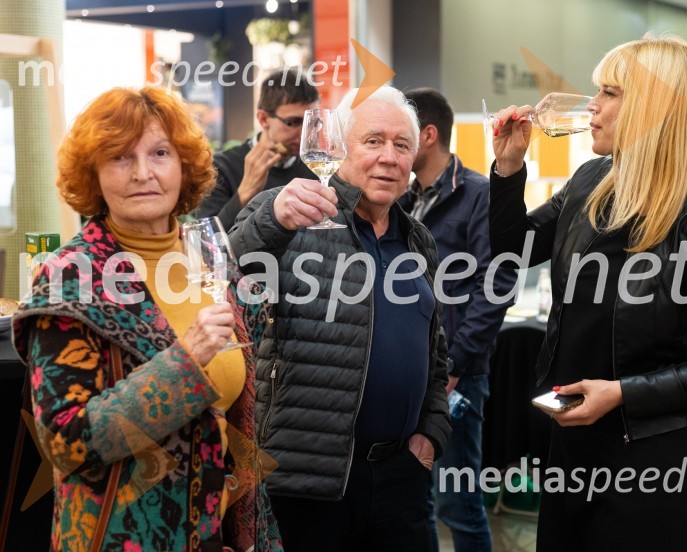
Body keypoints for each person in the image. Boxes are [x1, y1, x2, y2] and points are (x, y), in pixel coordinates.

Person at [488, 36, 687, 552]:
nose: (593, 104)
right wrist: (507, 169)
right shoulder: (590, 181)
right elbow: (510, 252)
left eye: (610, 92)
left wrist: (623, 393)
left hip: (659, 471)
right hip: (574, 455)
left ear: (655, 109)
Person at [12, 87, 281, 551]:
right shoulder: (68, 278)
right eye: (119, 157)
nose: (143, 173)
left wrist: (243, 521)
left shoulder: (211, 259)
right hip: (122, 536)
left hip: (215, 533)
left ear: (183, 166)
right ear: (94, 174)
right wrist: (185, 362)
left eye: (160, 153)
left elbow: (240, 409)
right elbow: (67, 442)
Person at [227, 85, 451, 551]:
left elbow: (435, 352)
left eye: (401, 145)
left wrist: (431, 434)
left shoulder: (419, 241)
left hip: (400, 479)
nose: (389, 157)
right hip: (305, 483)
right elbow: (227, 272)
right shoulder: (294, 217)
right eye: (373, 141)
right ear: (337, 147)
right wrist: (272, 216)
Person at [398, 87, 514, 552]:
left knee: (458, 504)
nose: (391, 148)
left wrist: (456, 365)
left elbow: (498, 283)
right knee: (414, 500)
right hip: (412, 373)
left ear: (426, 135)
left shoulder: (478, 194)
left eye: (400, 135)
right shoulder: (405, 199)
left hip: (457, 378)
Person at [195, 67, 319, 229]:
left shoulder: (315, 167)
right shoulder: (221, 167)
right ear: (264, 119)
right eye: (293, 122)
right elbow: (207, 243)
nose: (306, 133)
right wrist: (245, 193)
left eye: (314, 123)